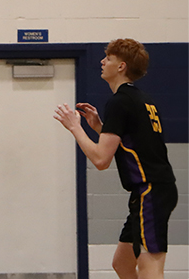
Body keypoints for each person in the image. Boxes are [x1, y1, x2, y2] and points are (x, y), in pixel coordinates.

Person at [54, 39, 177, 279]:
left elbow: (101, 160)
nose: (102, 61)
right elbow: (134, 144)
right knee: (122, 264)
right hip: (150, 191)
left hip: (150, 191)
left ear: (121, 66)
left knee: (150, 269)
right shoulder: (141, 99)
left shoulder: (120, 101)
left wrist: (75, 128)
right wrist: (100, 127)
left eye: (108, 58)